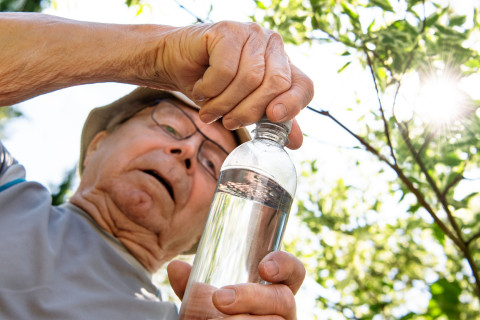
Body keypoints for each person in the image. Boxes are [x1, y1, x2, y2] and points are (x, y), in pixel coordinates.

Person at [0, 12, 314, 320]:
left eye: (210, 163)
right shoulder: (7, 193)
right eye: (170, 128)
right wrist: (157, 54)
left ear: (206, 230)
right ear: (96, 146)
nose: (186, 151)